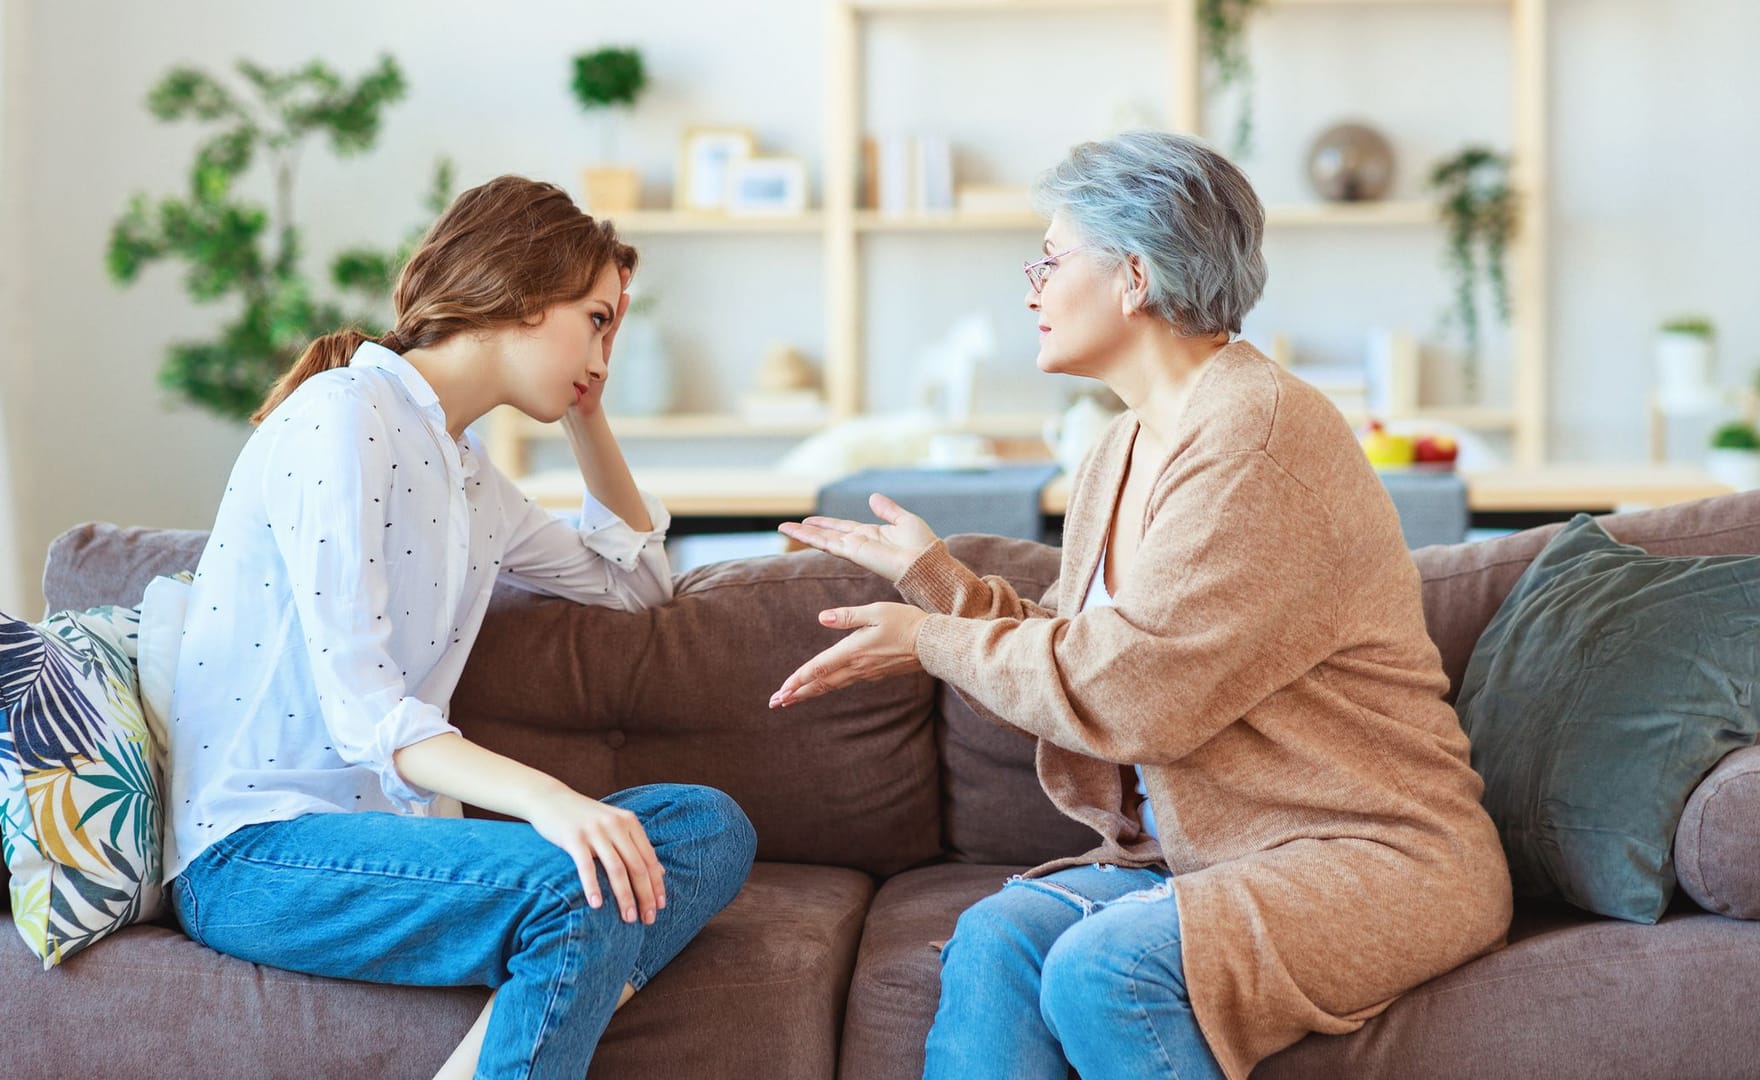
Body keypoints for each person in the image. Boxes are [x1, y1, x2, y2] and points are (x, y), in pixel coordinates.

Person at [771, 131, 1511, 1080]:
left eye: (1048, 258)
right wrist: (936, 583)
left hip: (1378, 854)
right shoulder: (1122, 445)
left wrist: (932, 639)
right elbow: (1101, 655)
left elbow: (1134, 699)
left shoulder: (1253, 441)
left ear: (1131, 276)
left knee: (1105, 970)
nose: (1030, 286)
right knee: (998, 940)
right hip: (1216, 856)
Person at [164, 175, 756, 1080]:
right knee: (580, 880)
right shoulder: (341, 416)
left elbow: (634, 587)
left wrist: (588, 413)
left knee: (706, 826)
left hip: (394, 846)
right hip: (258, 852)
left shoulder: (470, 474)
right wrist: (551, 802)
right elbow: (365, 712)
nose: (607, 349)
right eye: (597, 320)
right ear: (524, 297)